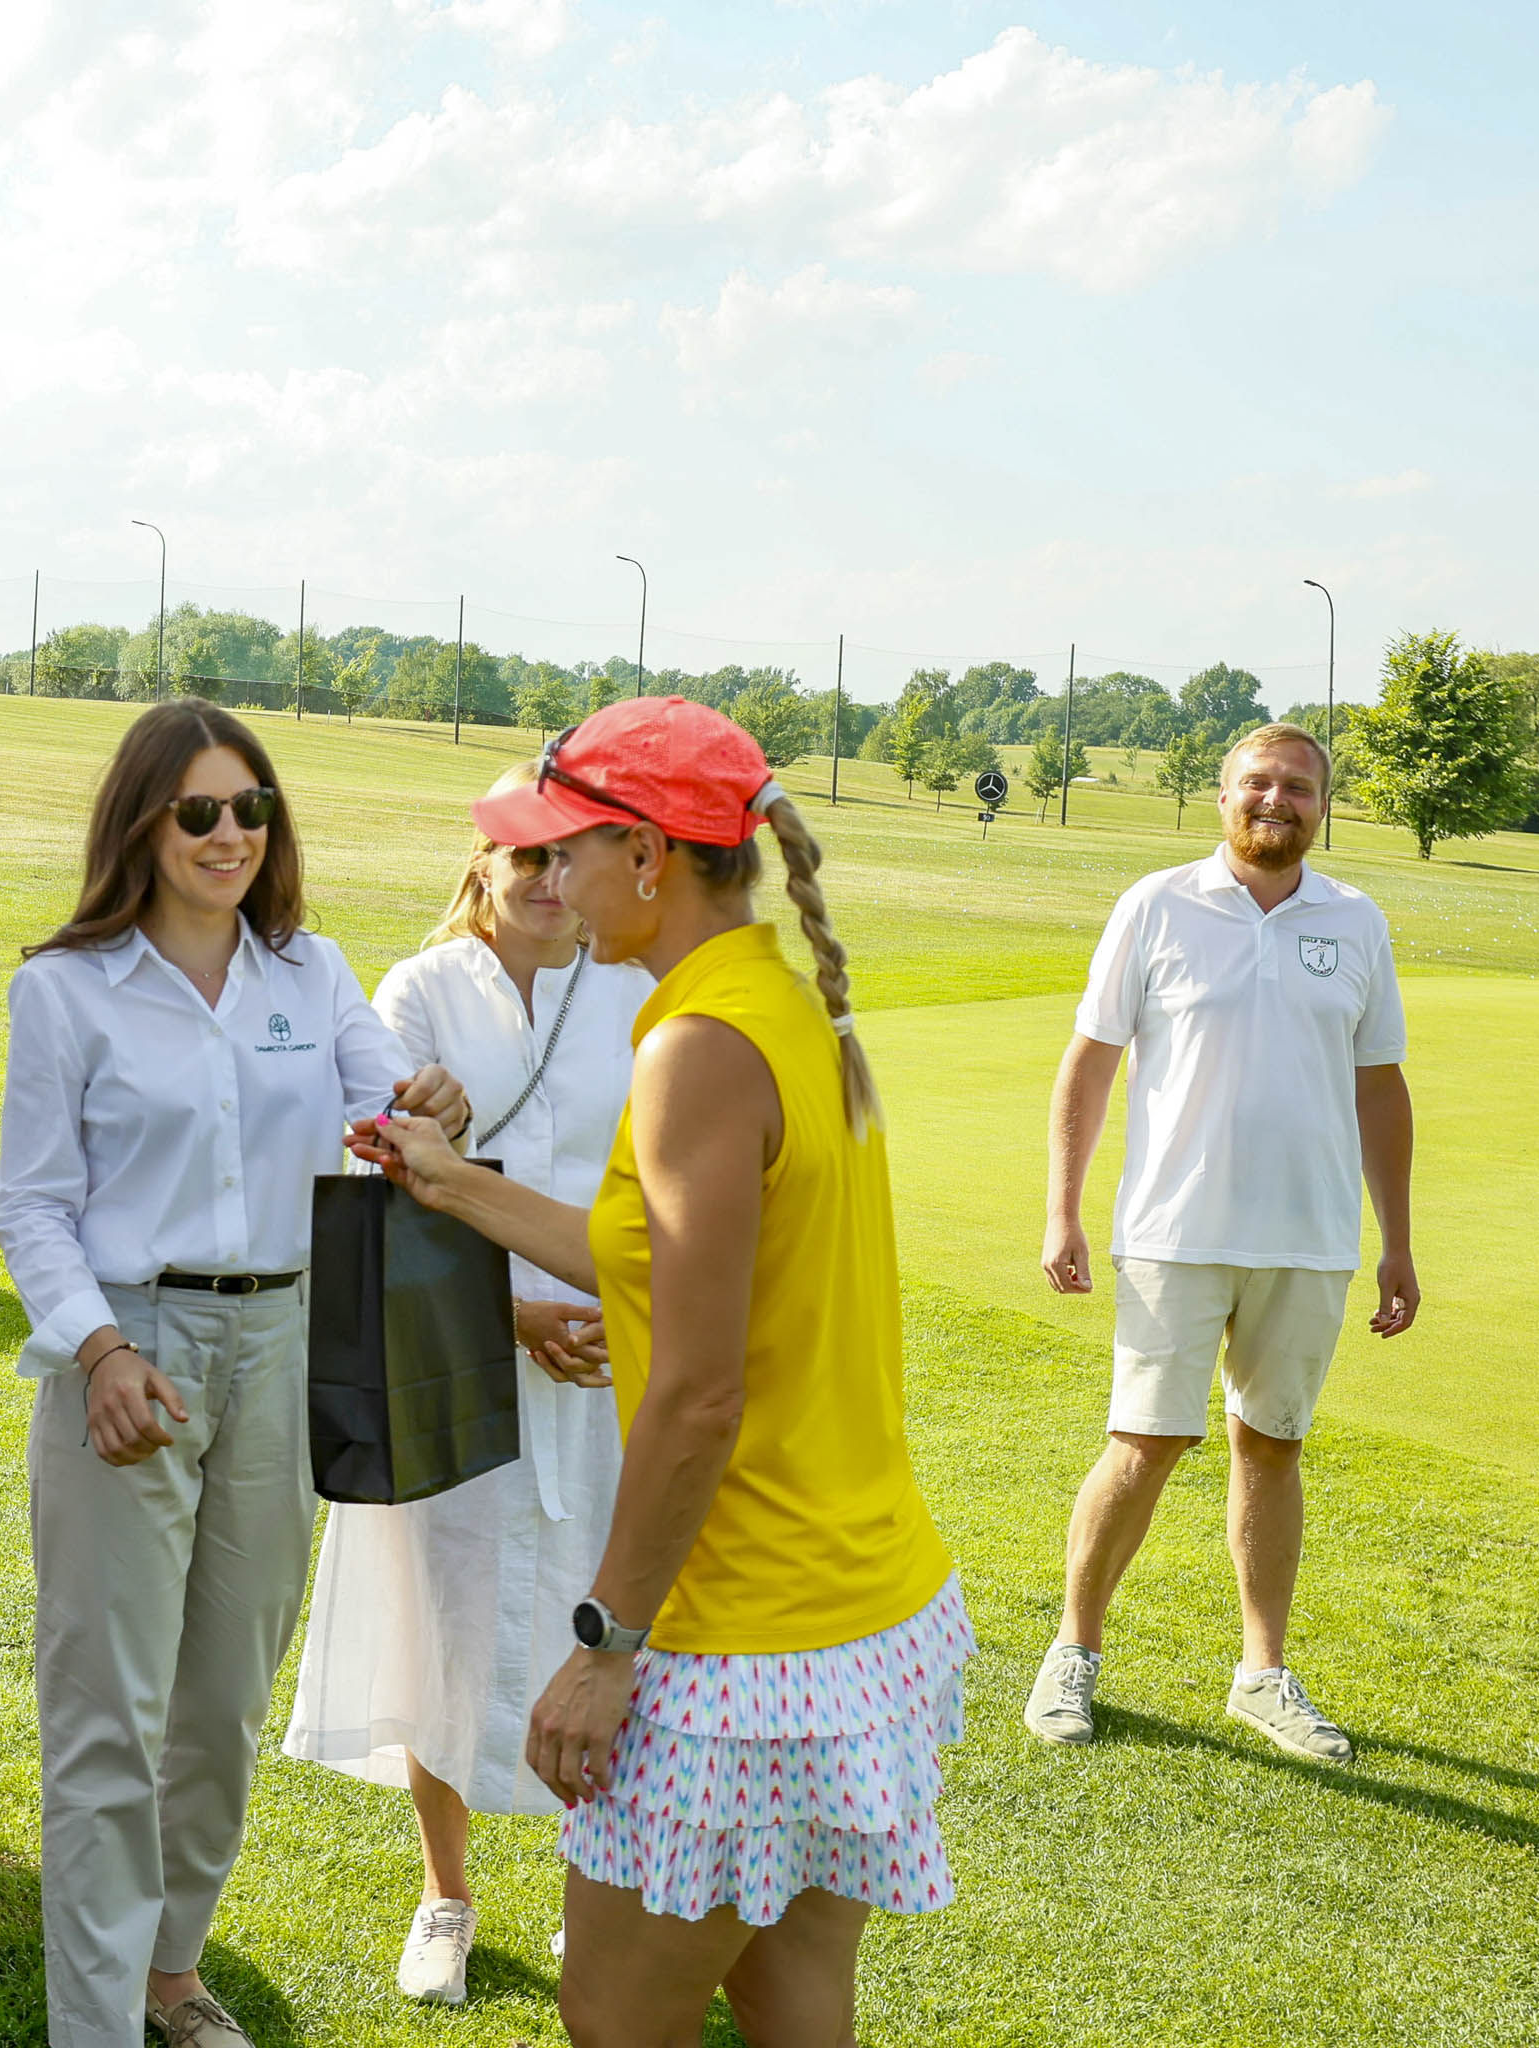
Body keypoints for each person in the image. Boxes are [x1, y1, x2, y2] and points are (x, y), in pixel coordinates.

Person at [365, 698, 968, 2048]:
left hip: (738, 1634)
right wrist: (460, 1191)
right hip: (863, 1612)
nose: (552, 880)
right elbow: (659, 1260)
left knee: (615, 2016)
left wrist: (603, 1649)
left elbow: (698, 1391)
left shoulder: (694, 1047)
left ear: (646, 858)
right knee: (787, 1989)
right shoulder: (771, 1003)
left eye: (567, 850)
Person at [0, 699, 468, 2048]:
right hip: (128, 1347)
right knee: (107, 1713)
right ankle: (91, 2024)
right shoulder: (66, 988)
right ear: (142, 821)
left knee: (221, 1704)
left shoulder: (307, 974)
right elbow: (31, 1207)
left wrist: (431, 1105)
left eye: (250, 810)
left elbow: (390, 1100)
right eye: (199, 810)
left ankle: (170, 1979)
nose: (229, 835)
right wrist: (101, 1350)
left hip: (281, 1345)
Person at [282, 765, 651, 2004]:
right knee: (445, 1614)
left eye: (570, 857)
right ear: (481, 864)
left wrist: (602, 1312)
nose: (550, 882)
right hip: (458, 1356)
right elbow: (398, 1188)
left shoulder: (642, 986)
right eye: (527, 858)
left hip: (615, 1358)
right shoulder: (420, 990)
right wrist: (510, 1315)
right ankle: (445, 1891)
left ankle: (585, 1888)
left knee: (597, 1614)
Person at [1023, 722, 1416, 1763]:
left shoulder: (1357, 919)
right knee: (1146, 1440)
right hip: (1176, 1229)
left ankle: (1262, 1674)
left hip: (1311, 1233)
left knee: (1271, 1442)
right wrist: (1063, 1207)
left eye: (1297, 786)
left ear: (1323, 804)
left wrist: (1398, 1239)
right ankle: (1073, 1651)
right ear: (1222, 796)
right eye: (1258, 783)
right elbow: (1091, 1060)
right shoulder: (1157, 904)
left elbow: (1380, 1082)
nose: (1276, 800)